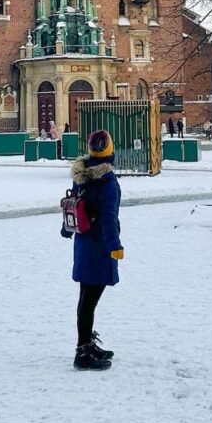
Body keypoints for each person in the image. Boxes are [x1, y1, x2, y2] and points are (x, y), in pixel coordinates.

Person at [61, 129, 123, 371]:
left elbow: (75, 207)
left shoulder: (81, 176)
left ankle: (86, 343)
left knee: (86, 297)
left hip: (83, 243)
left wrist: (66, 230)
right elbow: (108, 217)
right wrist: (114, 247)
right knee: (89, 301)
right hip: (99, 246)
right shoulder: (108, 182)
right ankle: (83, 350)